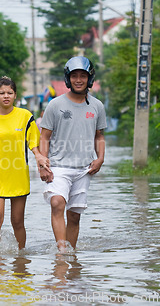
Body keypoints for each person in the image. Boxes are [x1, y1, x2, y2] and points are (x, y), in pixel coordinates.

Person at [39, 56, 106, 251]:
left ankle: (72, 256)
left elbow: (99, 136)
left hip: (84, 169)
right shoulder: (55, 105)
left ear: (89, 78)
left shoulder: (97, 106)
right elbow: (44, 137)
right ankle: (62, 253)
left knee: (75, 216)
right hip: (58, 166)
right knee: (57, 203)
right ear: (68, 79)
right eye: (74, 76)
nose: (78, 80)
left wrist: (100, 159)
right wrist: (43, 165)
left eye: (82, 76)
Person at [0, 76, 50, 252]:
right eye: (2, 93)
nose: (6, 96)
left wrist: (39, 156)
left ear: (15, 95)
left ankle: (21, 257)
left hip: (18, 175)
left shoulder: (25, 116)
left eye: (10, 92)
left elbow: (33, 141)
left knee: (17, 221)